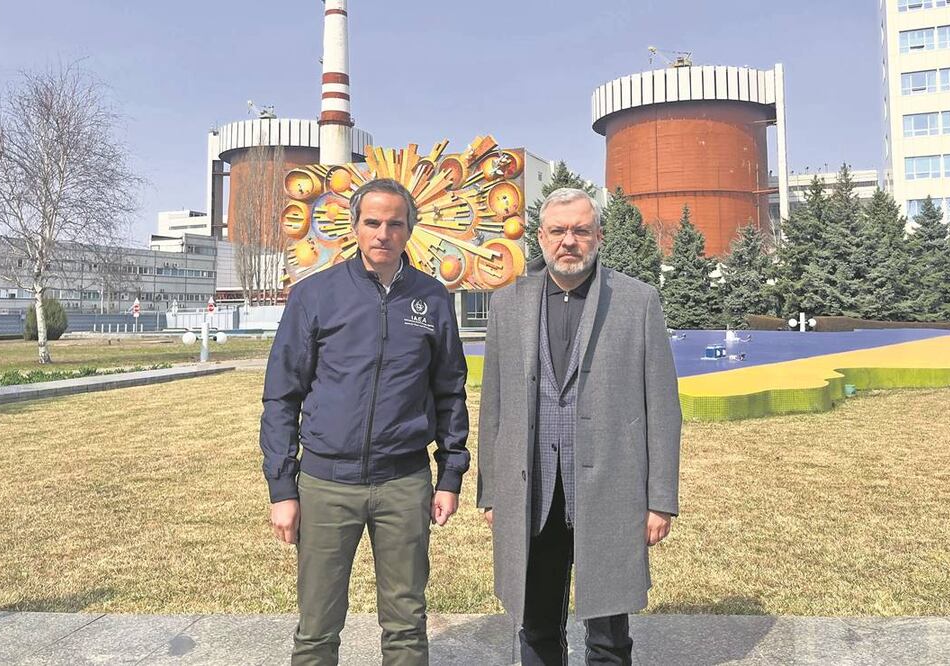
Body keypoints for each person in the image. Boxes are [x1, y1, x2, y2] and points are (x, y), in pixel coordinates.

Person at [260, 178, 470, 665]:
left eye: (395, 224)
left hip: (404, 482)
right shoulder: (314, 295)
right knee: (317, 626)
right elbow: (282, 396)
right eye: (372, 222)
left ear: (410, 229)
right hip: (325, 484)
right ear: (354, 227)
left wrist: (450, 476)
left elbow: (449, 392)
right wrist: (282, 489)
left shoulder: (433, 298)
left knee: (406, 625)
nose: (383, 233)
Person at [476, 187, 682, 665]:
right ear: (540, 237)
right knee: (537, 626)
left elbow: (662, 408)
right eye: (558, 231)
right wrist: (491, 492)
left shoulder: (636, 301)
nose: (568, 241)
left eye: (580, 230)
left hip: (611, 490)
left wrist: (660, 500)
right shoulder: (508, 304)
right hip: (533, 493)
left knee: (608, 636)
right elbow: (495, 406)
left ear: (598, 236)